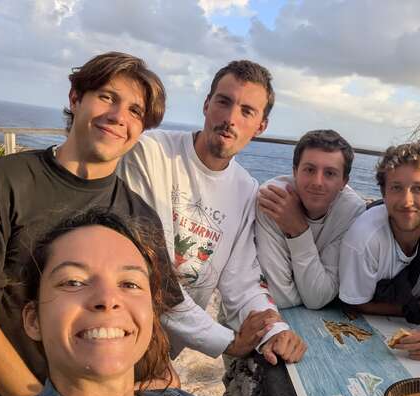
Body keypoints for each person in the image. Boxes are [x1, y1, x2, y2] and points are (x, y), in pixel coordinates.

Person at [0, 52, 179, 396]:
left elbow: (150, 316)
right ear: (75, 98)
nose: (119, 117)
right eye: (107, 97)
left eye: (135, 111)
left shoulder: (139, 216)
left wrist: (158, 377)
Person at [0, 210, 329, 396]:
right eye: (73, 282)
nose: (107, 299)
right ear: (33, 319)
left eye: (130, 283)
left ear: (152, 315)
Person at [119, 60, 306, 365]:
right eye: (224, 102)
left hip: (162, 353)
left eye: (247, 111)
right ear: (206, 105)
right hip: (117, 336)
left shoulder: (245, 189)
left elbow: (241, 279)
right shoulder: (150, 154)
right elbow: (148, 269)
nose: (231, 118)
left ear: (261, 126)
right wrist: (226, 341)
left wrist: (273, 330)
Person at [339, 142, 420, 361]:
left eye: (418, 189)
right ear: (384, 193)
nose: (407, 201)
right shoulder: (364, 237)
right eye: (396, 188)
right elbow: (355, 301)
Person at [255, 129, 365, 309]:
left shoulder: (351, 210)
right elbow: (279, 296)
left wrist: (298, 230)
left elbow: (318, 297)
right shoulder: (274, 198)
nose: (317, 182)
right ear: (295, 171)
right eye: (309, 170)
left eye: (330, 173)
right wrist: (308, 291)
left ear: (344, 182)